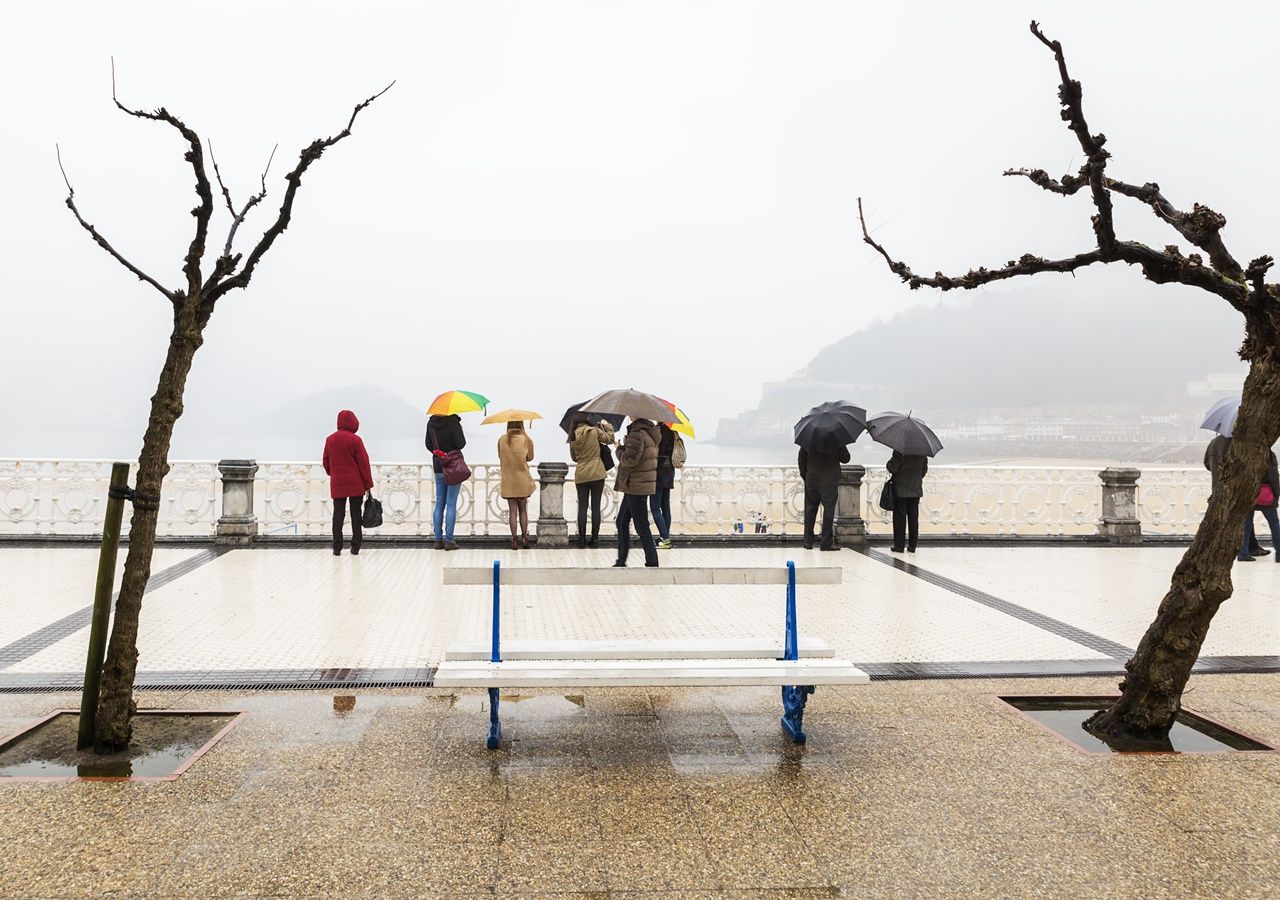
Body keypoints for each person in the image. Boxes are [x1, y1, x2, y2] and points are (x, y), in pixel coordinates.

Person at [322, 409, 374, 556]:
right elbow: (364, 463)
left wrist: (333, 473)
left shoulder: (330, 439)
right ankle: (355, 546)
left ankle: (337, 547)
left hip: (337, 483)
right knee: (355, 514)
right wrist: (368, 483)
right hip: (355, 483)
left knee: (338, 514)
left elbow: (326, 461)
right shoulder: (355, 440)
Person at [1208, 434, 1268, 557]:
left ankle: (1248, 546)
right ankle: (1248, 548)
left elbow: (1206, 463)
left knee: (1222, 518)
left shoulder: (1214, 442)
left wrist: (1217, 471)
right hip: (1235, 487)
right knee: (1244, 517)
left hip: (1217, 486)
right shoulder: (1237, 442)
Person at [613, 417, 661, 568]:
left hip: (636, 484)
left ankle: (652, 562)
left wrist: (619, 449)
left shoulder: (637, 433)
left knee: (641, 526)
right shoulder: (648, 433)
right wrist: (628, 444)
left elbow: (630, 460)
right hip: (636, 484)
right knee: (621, 521)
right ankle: (621, 560)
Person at [568, 414, 614, 547]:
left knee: (582, 507)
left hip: (581, 474)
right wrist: (606, 426)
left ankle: (581, 540)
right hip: (597, 473)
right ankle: (595, 539)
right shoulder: (594, 431)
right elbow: (610, 439)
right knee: (595, 507)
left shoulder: (573, 435)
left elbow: (574, 458)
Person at [426, 412, 467, 550]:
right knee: (451, 504)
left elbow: (428, 444)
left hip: (438, 466)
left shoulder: (431, 423)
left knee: (439, 503)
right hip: (453, 466)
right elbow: (461, 443)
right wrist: (459, 429)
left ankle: (438, 540)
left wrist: (440, 453)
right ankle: (449, 540)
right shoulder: (452, 422)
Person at [799, 444, 850, 551]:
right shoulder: (836, 439)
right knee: (829, 511)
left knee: (810, 509)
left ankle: (808, 541)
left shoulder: (809, 439)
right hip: (830, 480)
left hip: (812, 479)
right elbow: (846, 459)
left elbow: (801, 459)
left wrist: (806, 475)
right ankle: (826, 542)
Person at [498, 421, 536, 550]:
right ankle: (524, 538)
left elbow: (500, 456)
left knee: (512, 512)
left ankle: (514, 540)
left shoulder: (502, 440)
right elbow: (530, 457)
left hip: (508, 480)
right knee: (523, 510)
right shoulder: (526, 439)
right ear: (521, 425)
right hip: (522, 479)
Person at [1239, 451, 1280, 563]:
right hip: (1265, 494)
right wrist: (1276, 495)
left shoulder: (1245, 451)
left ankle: (1243, 553)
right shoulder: (1269, 454)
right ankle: (1279, 553)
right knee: (1274, 524)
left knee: (1246, 525)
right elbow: (1273, 477)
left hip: (1248, 494)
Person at [886, 449, 929, 554]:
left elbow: (893, 468)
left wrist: (889, 463)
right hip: (915, 489)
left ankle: (899, 546)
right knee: (913, 518)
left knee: (900, 518)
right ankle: (912, 546)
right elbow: (923, 470)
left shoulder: (900, 450)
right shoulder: (922, 451)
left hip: (900, 489)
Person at [650, 423, 676, 550]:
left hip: (658, 472)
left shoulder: (658, 432)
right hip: (669, 472)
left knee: (655, 507)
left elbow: (654, 452)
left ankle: (665, 538)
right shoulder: (672, 432)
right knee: (665, 507)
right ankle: (665, 538)